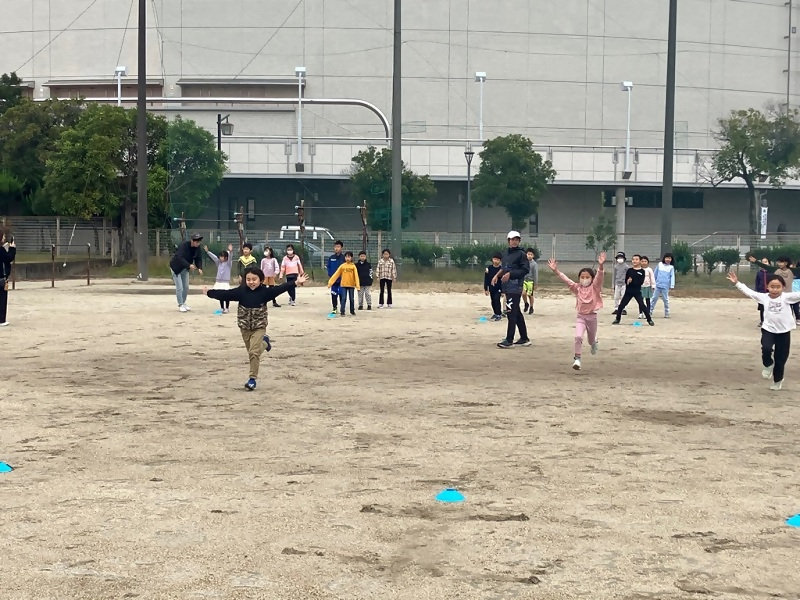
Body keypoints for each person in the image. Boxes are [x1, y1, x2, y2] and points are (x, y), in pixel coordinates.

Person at [205, 268, 309, 391]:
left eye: (254, 279)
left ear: (261, 280)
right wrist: (209, 292)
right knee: (252, 352)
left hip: (259, 327)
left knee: (253, 353)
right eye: (248, 279)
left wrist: (296, 282)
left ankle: (252, 379)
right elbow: (225, 294)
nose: (251, 282)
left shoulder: (265, 292)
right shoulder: (241, 291)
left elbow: (281, 288)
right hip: (244, 327)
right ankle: (265, 343)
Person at [727, 269, 800, 391]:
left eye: (778, 287)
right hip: (768, 329)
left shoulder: (787, 298)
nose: (775, 290)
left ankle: (777, 380)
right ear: (767, 287)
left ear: (783, 287)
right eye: (772, 287)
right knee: (766, 348)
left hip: (784, 332)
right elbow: (749, 292)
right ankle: (767, 364)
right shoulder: (764, 297)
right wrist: (737, 283)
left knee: (780, 359)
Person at [548, 251, 605, 370]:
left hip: (592, 317)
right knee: (578, 337)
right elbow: (566, 279)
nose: (584, 279)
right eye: (582, 277)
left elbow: (599, 277)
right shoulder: (577, 288)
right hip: (581, 317)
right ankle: (577, 359)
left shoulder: (595, 287)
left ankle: (594, 343)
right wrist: (556, 270)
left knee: (590, 340)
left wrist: (600, 266)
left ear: (592, 278)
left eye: (587, 277)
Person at [492, 231, 531, 349]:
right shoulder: (506, 253)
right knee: (516, 312)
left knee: (511, 313)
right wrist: (496, 275)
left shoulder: (522, 254)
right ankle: (524, 338)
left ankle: (509, 340)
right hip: (507, 286)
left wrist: (511, 274)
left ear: (519, 241)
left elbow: (525, 270)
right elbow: (504, 268)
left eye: (516, 239)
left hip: (516, 286)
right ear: (508, 240)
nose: (514, 241)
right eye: (512, 239)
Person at [750, 255, 800, 323]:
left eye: (781, 262)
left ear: (786, 263)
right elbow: (766, 266)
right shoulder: (776, 270)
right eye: (778, 262)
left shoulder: (792, 271)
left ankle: (788, 322)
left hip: (788, 295)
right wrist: (756, 261)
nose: (779, 264)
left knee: (788, 310)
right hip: (778, 295)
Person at [612, 253, 654, 326]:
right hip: (629, 291)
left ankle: (649, 320)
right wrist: (627, 281)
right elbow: (626, 280)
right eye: (633, 259)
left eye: (636, 259)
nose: (634, 261)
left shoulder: (642, 271)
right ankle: (617, 319)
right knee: (621, 305)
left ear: (640, 261)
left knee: (642, 305)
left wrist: (633, 281)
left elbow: (640, 282)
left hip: (637, 291)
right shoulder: (629, 270)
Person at [169, 233, 204, 312]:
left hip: (185, 268)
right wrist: (189, 265)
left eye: (199, 241)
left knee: (186, 287)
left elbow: (199, 259)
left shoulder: (197, 248)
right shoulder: (184, 246)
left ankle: (184, 302)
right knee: (180, 287)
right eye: (196, 241)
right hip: (176, 268)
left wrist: (200, 268)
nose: (198, 243)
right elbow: (179, 257)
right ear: (192, 241)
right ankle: (180, 304)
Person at [328, 251, 360, 316]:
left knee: (351, 299)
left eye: (349, 257)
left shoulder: (353, 266)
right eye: (346, 257)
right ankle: (342, 311)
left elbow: (356, 276)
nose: (347, 258)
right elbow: (336, 274)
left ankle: (352, 311)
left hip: (351, 285)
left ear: (351, 258)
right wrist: (330, 283)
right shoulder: (342, 266)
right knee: (343, 298)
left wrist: (357, 286)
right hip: (343, 285)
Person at [204, 243, 234, 313]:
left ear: (226, 257)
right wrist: (208, 252)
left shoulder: (228, 264)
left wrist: (231, 251)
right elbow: (214, 257)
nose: (220, 258)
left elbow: (230, 258)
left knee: (226, 295)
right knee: (220, 295)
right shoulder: (219, 263)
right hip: (219, 281)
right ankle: (222, 307)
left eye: (222, 257)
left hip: (225, 282)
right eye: (220, 256)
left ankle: (227, 308)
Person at [651, 252, 676, 318]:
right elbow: (655, 274)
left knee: (666, 299)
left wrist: (672, 285)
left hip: (665, 286)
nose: (668, 259)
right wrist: (653, 283)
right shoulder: (660, 264)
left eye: (669, 258)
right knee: (654, 298)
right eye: (667, 258)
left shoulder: (671, 267)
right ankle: (650, 312)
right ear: (664, 258)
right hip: (657, 285)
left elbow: (672, 276)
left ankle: (667, 313)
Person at [0, 232, 16, 327]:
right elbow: (8, 258)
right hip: (1, 277)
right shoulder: (1, 250)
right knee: (2, 299)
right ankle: (1, 320)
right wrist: (12, 248)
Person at [327, 240, 346, 315]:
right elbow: (328, 267)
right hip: (334, 281)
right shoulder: (331, 258)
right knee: (334, 294)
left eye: (338, 247)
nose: (336, 248)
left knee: (342, 294)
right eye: (335, 247)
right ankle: (334, 308)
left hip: (342, 280)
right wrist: (330, 275)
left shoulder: (344, 258)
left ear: (341, 248)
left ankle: (342, 308)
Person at [484, 252, 503, 321]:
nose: (496, 261)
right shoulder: (489, 268)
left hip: (499, 288)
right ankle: (495, 313)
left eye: (498, 260)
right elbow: (486, 279)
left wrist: (503, 290)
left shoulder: (501, 269)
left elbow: (503, 281)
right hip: (492, 288)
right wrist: (486, 289)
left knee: (497, 299)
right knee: (493, 301)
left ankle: (499, 314)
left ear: (500, 261)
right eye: (495, 259)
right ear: (492, 259)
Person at [754, 257, 770, 327]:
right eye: (763, 262)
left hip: (770, 293)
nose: (764, 263)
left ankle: (769, 321)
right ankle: (762, 321)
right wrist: (757, 292)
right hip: (761, 293)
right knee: (762, 308)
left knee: (770, 308)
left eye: (766, 262)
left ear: (769, 263)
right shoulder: (759, 273)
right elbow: (757, 282)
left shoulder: (772, 272)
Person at [523, 248, 539, 315]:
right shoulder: (523, 262)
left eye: (531, 254)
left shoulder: (534, 264)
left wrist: (535, 284)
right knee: (523, 293)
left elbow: (535, 274)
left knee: (530, 295)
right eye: (528, 254)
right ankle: (526, 303)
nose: (529, 256)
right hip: (524, 280)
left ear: (533, 256)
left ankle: (531, 307)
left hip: (530, 281)